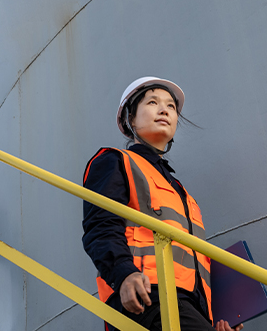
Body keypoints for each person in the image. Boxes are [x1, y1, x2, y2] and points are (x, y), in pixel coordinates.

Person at [82, 77, 243, 331]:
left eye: (171, 106)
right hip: (146, 296)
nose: (164, 109)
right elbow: (101, 227)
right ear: (130, 119)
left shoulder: (182, 193)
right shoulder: (115, 161)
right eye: (153, 102)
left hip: (189, 306)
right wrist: (123, 274)